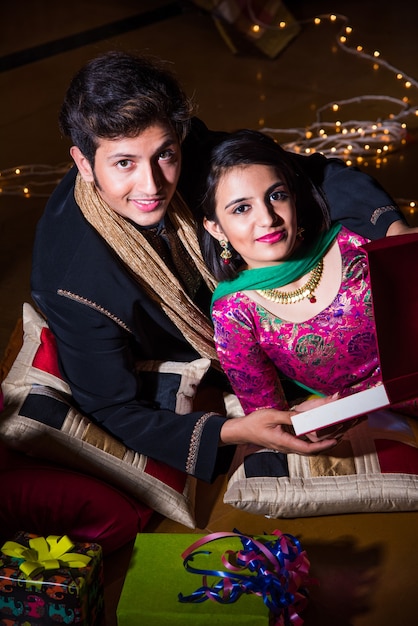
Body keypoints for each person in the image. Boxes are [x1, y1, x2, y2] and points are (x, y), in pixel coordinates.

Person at [31, 51, 415, 484]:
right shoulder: (67, 277)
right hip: (218, 357)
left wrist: (394, 230)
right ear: (84, 163)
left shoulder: (191, 149)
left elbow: (311, 176)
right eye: (124, 163)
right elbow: (112, 407)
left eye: (164, 155)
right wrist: (236, 430)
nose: (152, 185)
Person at [199, 129, 417, 433]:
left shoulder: (351, 240)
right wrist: (302, 417)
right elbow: (269, 420)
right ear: (216, 228)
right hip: (376, 422)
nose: (267, 218)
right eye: (241, 208)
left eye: (276, 196)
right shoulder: (234, 311)